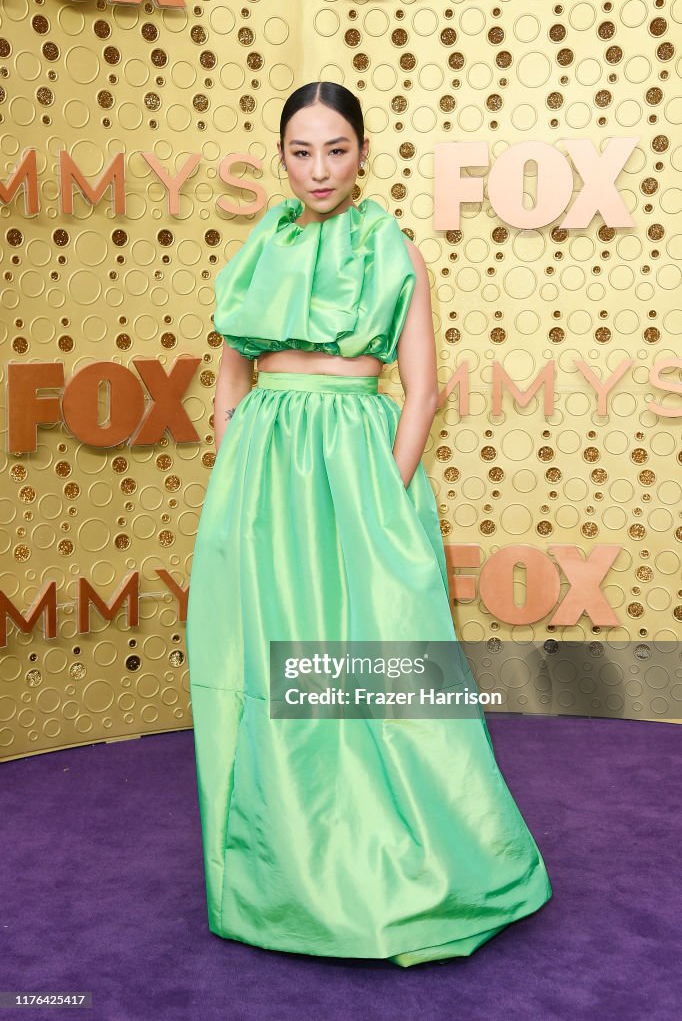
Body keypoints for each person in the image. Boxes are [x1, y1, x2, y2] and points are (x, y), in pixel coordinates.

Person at [186, 81, 552, 967]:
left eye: (337, 149)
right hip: (264, 468)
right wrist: (236, 468)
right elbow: (235, 369)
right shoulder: (259, 244)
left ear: (362, 152)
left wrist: (385, 494)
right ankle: (288, 874)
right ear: (280, 155)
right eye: (302, 151)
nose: (319, 169)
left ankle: (415, 862)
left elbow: (420, 391)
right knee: (269, 658)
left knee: (375, 658)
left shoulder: (393, 245)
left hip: (356, 462)